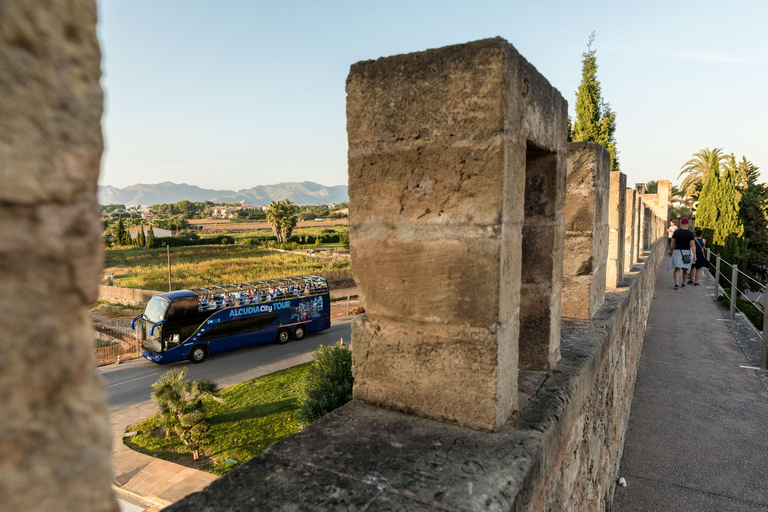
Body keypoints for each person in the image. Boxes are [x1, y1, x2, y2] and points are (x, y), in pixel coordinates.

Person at [668, 217, 695, 290]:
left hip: (677, 251)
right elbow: (692, 244)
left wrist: (671, 251)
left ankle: (676, 284)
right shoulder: (691, 233)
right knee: (685, 269)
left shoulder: (677, 232)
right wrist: (695, 255)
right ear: (688, 224)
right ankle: (683, 283)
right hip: (686, 252)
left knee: (677, 268)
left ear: (681, 223)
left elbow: (672, 243)